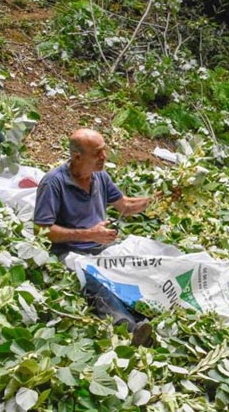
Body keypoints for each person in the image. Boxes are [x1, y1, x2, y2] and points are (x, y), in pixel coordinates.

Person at [33, 128, 154, 346]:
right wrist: (89, 234)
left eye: (104, 151)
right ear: (77, 156)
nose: (104, 157)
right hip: (68, 252)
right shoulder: (54, 183)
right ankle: (127, 328)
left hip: (99, 248)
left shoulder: (100, 176)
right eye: (97, 153)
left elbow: (124, 205)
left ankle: (148, 318)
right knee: (95, 282)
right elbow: (42, 230)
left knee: (135, 269)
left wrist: (157, 199)